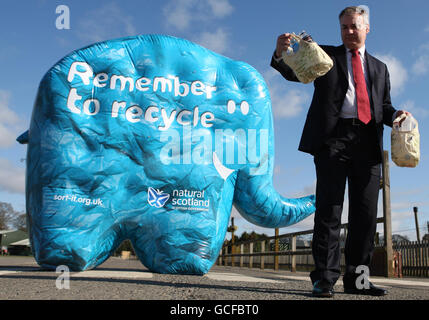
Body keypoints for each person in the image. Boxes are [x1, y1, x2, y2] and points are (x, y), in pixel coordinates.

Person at [271, 6, 411, 297]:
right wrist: (280, 53)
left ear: (367, 28)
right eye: (344, 27)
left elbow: (382, 107)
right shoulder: (324, 55)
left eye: (354, 26)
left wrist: (395, 114)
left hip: (368, 143)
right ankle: (324, 279)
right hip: (332, 140)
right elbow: (294, 73)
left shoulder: (380, 68)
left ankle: (358, 280)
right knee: (329, 211)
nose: (349, 31)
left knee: (365, 215)